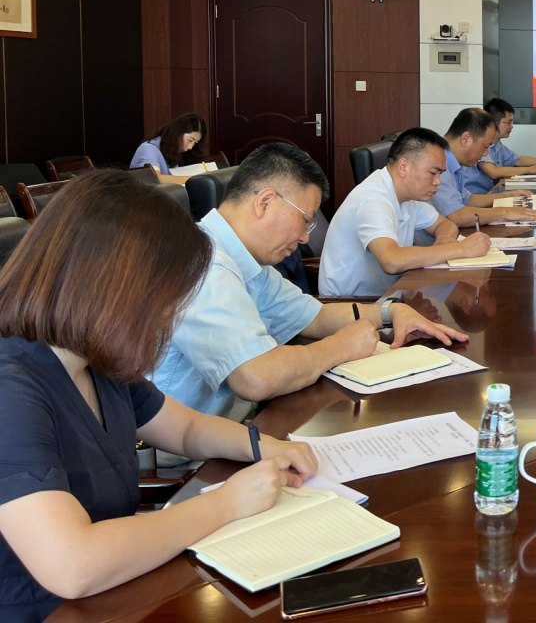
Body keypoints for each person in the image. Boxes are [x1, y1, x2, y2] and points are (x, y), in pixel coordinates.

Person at [0, 171, 318, 618]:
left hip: (117, 591)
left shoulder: (95, 358)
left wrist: (264, 446)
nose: (169, 314)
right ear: (108, 286)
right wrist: (226, 504)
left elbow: (185, 429)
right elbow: (71, 565)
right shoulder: (11, 388)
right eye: (165, 297)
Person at [152, 142, 467, 421]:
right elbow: (255, 377)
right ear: (265, 202)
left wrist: (390, 312)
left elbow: (313, 316)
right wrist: (340, 347)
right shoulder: (205, 265)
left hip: (237, 423)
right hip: (189, 457)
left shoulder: (247, 261)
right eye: (305, 220)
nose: (305, 237)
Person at [319, 128, 491, 297]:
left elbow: (444, 224)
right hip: (352, 304)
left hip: (390, 294)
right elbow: (391, 261)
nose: (438, 181)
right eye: (433, 173)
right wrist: (460, 249)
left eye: (440, 174)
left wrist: (444, 239)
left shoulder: (408, 196)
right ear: (403, 167)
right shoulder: (372, 199)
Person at [432, 108, 536, 228]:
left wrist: (508, 195)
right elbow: (456, 216)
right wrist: (505, 212)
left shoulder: (454, 162)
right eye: (485, 146)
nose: (486, 154)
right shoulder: (438, 163)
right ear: (466, 139)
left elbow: (468, 199)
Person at [460, 98, 536, 195]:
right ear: (493, 123)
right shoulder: (482, 144)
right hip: (475, 198)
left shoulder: (498, 145)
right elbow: (493, 172)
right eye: (508, 122)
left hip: (488, 193)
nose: (511, 127)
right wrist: (530, 170)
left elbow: (518, 159)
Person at [129, 112, 207, 184]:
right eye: (190, 140)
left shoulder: (173, 153)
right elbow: (155, 178)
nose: (190, 147)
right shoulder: (148, 149)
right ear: (178, 132)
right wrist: (195, 179)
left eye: (195, 143)